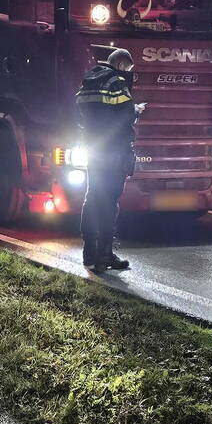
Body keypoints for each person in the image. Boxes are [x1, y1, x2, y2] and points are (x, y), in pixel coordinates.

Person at [76, 48, 143, 273]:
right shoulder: (117, 82)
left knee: (92, 196)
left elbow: (83, 114)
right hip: (114, 151)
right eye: (129, 69)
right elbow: (124, 114)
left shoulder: (89, 80)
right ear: (123, 65)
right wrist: (136, 109)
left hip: (94, 148)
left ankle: (89, 253)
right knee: (109, 201)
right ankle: (105, 255)